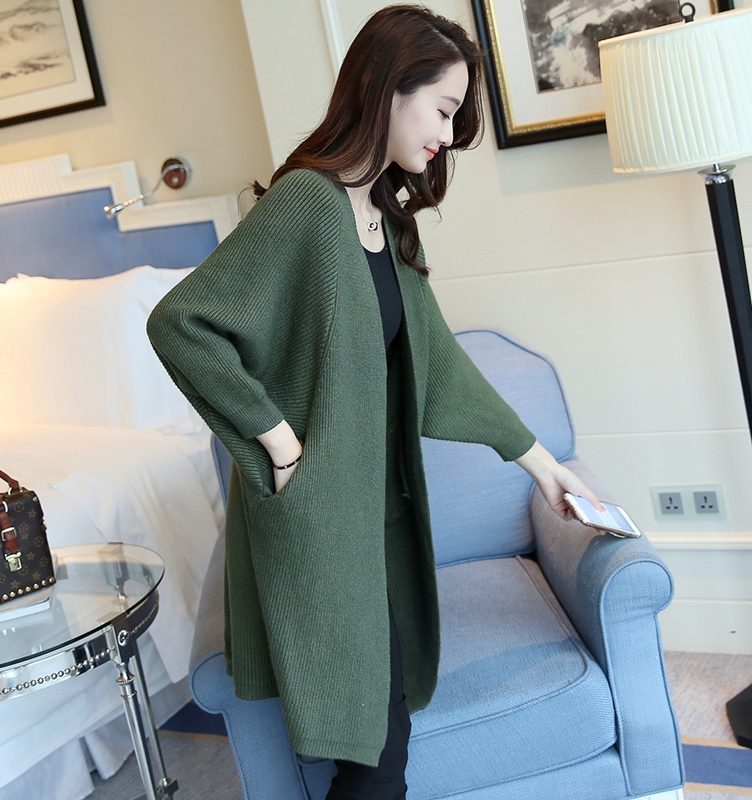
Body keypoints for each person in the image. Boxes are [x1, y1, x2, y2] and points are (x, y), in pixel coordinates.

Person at [147, 5, 603, 799]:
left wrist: (543, 466)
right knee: (373, 759)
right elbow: (181, 323)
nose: (447, 136)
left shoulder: (382, 217)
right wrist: (279, 442)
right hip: (322, 522)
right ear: (391, 88)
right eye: (444, 110)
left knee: (380, 746)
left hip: (376, 525)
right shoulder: (307, 203)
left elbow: (439, 367)